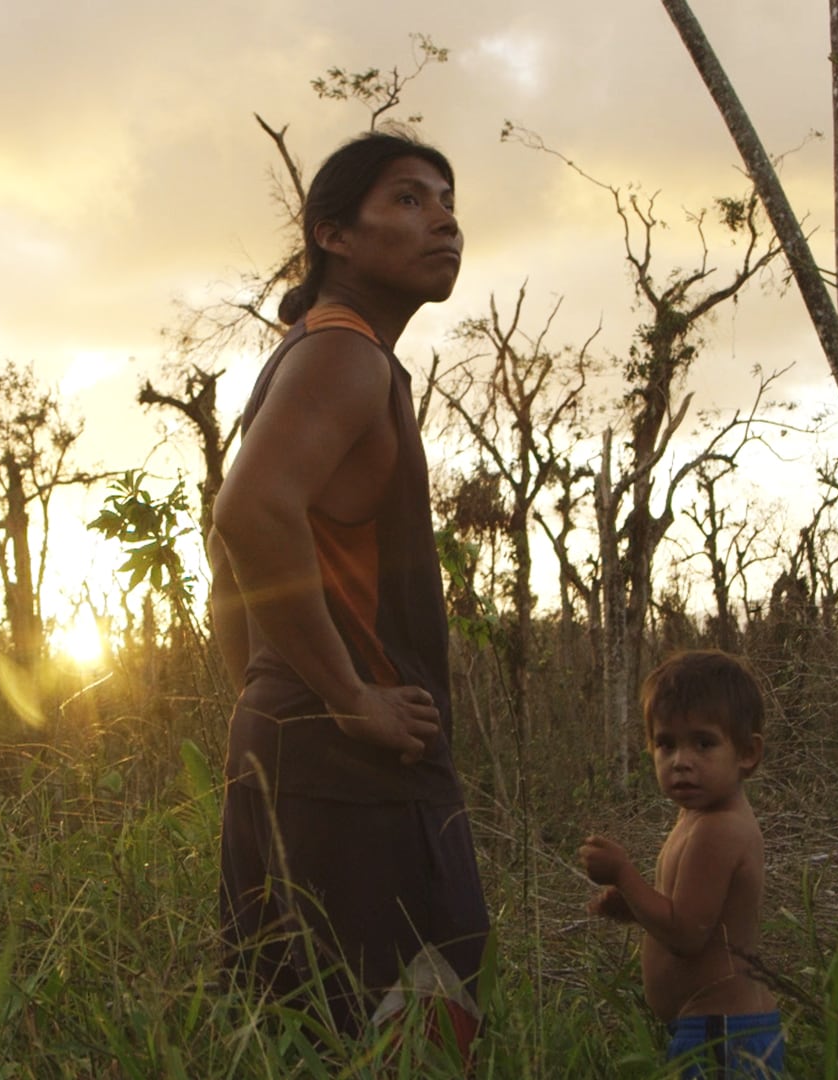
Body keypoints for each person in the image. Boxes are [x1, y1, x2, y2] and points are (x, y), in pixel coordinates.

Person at [207, 129, 489, 1049]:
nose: (442, 221)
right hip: (354, 769)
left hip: (293, 752)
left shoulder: (314, 354)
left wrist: (267, 699)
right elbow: (249, 517)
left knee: (301, 1039)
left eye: (445, 201)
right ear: (333, 233)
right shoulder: (343, 353)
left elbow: (229, 554)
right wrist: (347, 698)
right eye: (408, 199)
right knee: (418, 1029)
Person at [579, 650, 784, 1078]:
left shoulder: (719, 830)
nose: (681, 761)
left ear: (747, 753)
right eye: (666, 744)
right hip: (710, 1030)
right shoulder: (696, 818)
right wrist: (634, 905)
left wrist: (624, 875)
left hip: (725, 1035)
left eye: (703, 743)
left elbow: (688, 934)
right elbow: (694, 916)